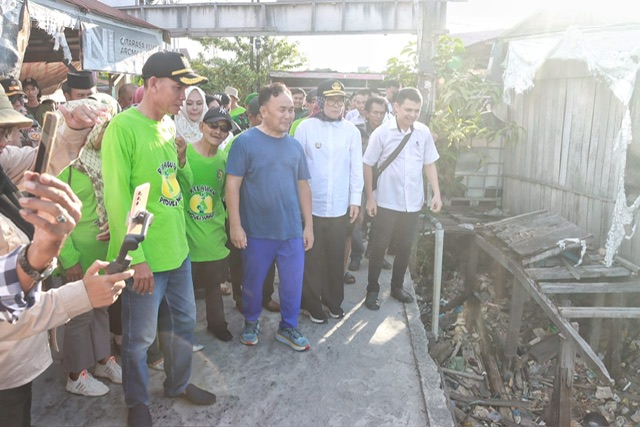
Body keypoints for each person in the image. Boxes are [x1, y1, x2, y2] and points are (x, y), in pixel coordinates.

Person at [101, 51, 216, 427]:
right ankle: (137, 401)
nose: (183, 96)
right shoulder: (123, 128)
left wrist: (181, 160)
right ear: (152, 84)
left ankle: (178, 382)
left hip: (177, 251)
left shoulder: (168, 126)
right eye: (177, 87)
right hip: (145, 256)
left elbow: (172, 189)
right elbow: (118, 199)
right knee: (138, 338)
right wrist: (138, 259)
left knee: (184, 322)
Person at [226, 82, 313, 351]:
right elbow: (232, 185)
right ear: (263, 111)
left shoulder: (294, 147)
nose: (288, 115)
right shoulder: (245, 143)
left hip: (290, 231)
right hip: (256, 231)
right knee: (252, 282)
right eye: (282, 110)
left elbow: (303, 186)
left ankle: (288, 327)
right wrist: (236, 225)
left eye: (291, 110)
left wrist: (308, 226)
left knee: (292, 284)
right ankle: (251, 321)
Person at [56, 94, 122, 397]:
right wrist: (69, 260)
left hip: (102, 253)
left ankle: (100, 359)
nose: (104, 132)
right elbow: (55, 217)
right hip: (78, 255)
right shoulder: (65, 164)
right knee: (79, 316)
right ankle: (75, 374)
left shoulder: (107, 157)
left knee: (102, 309)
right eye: (101, 126)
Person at [362, 87, 442, 310]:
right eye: (408, 109)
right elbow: (367, 164)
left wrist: (436, 192)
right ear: (396, 107)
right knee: (379, 246)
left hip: (413, 202)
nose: (412, 115)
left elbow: (429, 163)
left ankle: (397, 287)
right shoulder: (382, 133)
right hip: (386, 201)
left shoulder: (423, 132)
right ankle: (372, 289)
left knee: (405, 246)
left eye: (417, 110)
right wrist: (370, 197)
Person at [294, 79, 363, 323]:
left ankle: (333, 302)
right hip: (312, 207)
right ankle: (312, 305)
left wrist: (355, 201)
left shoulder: (351, 131)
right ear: (320, 102)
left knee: (335, 257)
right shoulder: (305, 128)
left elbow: (356, 169)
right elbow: (298, 168)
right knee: (311, 258)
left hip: (339, 207)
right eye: (331, 100)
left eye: (340, 100)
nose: (336, 105)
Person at [182, 107, 235, 341]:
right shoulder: (184, 153)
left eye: (224, 128)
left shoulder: (225, 161)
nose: (218, 131)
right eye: (213, 125)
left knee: (214, 285)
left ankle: (217, 324)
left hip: (212, 235)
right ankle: (181, 335)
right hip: (185, 233)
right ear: (202, 126)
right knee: (184, 291)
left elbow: (226, 195)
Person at [223, 96, 280, 314]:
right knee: (241, 260)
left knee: (268, 259)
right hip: (244, 212)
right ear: (251, 117)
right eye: (261, 117)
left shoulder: (279, 140)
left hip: (269, 213)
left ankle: (265, 296)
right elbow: (231, 184)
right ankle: (241, 298)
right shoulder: (240, 142)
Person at [349, 96, 389, 272]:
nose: (378, 116)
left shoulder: (391, 132)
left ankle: (374, 253)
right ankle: (356, 254)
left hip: (382, 182)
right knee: (357, 219)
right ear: (366, 112)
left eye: (382, 113)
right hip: (360, 181)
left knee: (381, 220)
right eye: (375, 112)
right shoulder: (355, 131)